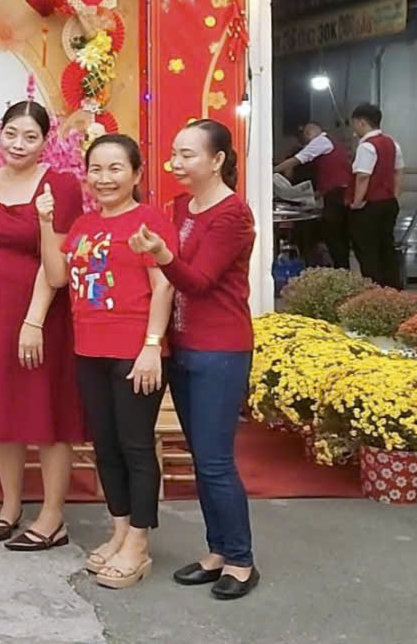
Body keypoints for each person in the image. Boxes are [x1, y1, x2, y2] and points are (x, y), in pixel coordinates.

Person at [37, 134, 176, 590]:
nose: (104, 178)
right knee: (106, 446)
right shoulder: (83, 225)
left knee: (136, 446)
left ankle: (139, 542)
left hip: (135, 352)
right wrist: (45, 223)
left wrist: (152, 345)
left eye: (115, 168)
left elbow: (163, 285)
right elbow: (56, 277)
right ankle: (119, 530)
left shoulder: (149, 220)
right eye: (96, 169)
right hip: (89, 351)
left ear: (136, 174)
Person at [128, 119, 259, 600]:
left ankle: (241, 559)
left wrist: (161, 254)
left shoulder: (233, 215)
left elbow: (199, 282)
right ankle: (217, 551)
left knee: (216, 459)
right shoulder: (182, 206)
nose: (176, 164)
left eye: (188, 155)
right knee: (202, 458)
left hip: (220, 348)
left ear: (218, 160)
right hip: (183, 345)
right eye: (174, 154)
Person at [0, 101, 86, 551]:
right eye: (11, 134)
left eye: (30, 137)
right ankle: (10, 506)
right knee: (2, 410)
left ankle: (52, 516)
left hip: (43, 315)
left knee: (48, 410)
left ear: (45, 141)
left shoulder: (61, 187)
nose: (18, 144)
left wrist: (34, 320)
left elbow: (58, 263)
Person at [274, 121, 352, 268]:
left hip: (335, 196)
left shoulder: (321, 141)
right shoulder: (332, 144)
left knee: (334, 236)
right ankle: (342, 269)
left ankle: (341, 269)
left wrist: (272, 170)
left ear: (308, 133)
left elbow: (297, 159)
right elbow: (329, 176)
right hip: (338, 193)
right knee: (338, 237)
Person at [346, 104, 404, 288]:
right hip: (389, 203)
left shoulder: (367, 146)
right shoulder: (392, 143)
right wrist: (394, 195)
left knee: (367, 250)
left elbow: (363, 176)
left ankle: (374, 290)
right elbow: (398, 172)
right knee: (387, 247)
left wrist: (356, 202)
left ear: (361, 122)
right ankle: (393, 290)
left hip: (369, 206)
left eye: (355, 124)